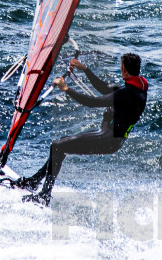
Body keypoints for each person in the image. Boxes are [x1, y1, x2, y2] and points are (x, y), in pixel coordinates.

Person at [16, 53, 148, 206]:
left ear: (123, 69)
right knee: (60, 146)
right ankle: (34, 182)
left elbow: (91, 102)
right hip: (111, 138)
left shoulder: (125, 94)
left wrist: (66, 88)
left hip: (107, 139)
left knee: (57, 147)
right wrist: (85, 69)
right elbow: (104, 88)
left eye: (120, 66)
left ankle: (44, 195)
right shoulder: (138, 88)